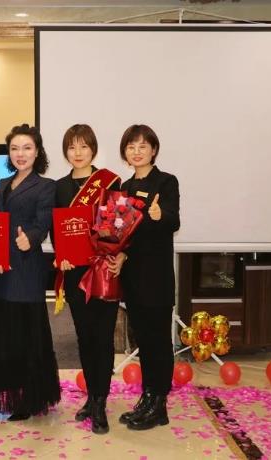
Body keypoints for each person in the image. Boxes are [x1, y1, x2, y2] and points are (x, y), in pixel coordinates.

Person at [0, 124, 61, 420]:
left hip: (28, 267)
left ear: (37, 152)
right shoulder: (3, 183)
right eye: (15, 148)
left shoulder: (46, 186)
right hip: (2, 268)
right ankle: (11, 394)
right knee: (6, 332)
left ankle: (30, 399)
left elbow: (44, 223)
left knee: (29, 333)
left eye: (27, 148)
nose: (21, 154)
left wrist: (31, 237)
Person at [107, 124, 180, 431]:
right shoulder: (123, 188)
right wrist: (119, 252)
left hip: (157, 277)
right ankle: (148, 397)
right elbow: (124, 235)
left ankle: (159, 404)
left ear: (154, 150)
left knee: (159, 341)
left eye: (142, 146)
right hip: (134, 277)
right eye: (131, 147)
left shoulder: (166, 182)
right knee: (144, 340)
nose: (136, 152)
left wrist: (161, 216)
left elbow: (174, 221)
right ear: (125, 153)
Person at [53, 124, 121, 434]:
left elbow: (119, 223)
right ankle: (92, 397)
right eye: (72, 147)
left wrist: (116, 252)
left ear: (93, 149)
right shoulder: (59, 187)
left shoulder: (110, 182)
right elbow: (57, 230)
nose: (78, 153)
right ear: (65, 151)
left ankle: (101, 402)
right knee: (84, 336)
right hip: (75, 272)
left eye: (83, 146)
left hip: (103, 270)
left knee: (103, 337)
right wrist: (61, 254)